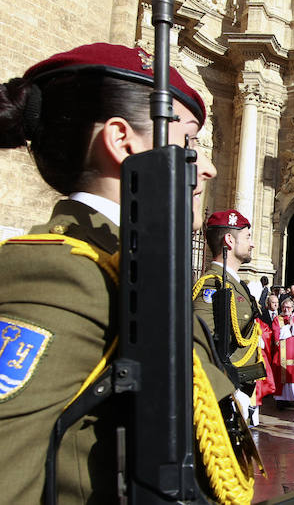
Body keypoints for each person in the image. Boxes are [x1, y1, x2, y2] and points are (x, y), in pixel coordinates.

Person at [0, 43, 240, 502]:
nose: (206, 168)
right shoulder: (59, 279)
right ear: (122, 140)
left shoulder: (128, 263)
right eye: (189, 143)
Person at [192, 209, 266, 423]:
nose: (252, 244)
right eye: (247, 237)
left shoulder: (235, 284)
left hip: (240, 385)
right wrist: (226, 391)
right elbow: (199, 348)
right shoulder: (212, 284)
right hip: (225, 394)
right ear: (229, 241)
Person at [271, 294, 294, 408]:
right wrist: (289, 327)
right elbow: (276, 334)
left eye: (289, 307)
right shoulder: (277, 319)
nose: (286, 310)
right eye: (284, 307)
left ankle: (293, 398)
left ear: (293, 308)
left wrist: (293, 327)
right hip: (282, 353)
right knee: (281, 375)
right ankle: (281, 400)